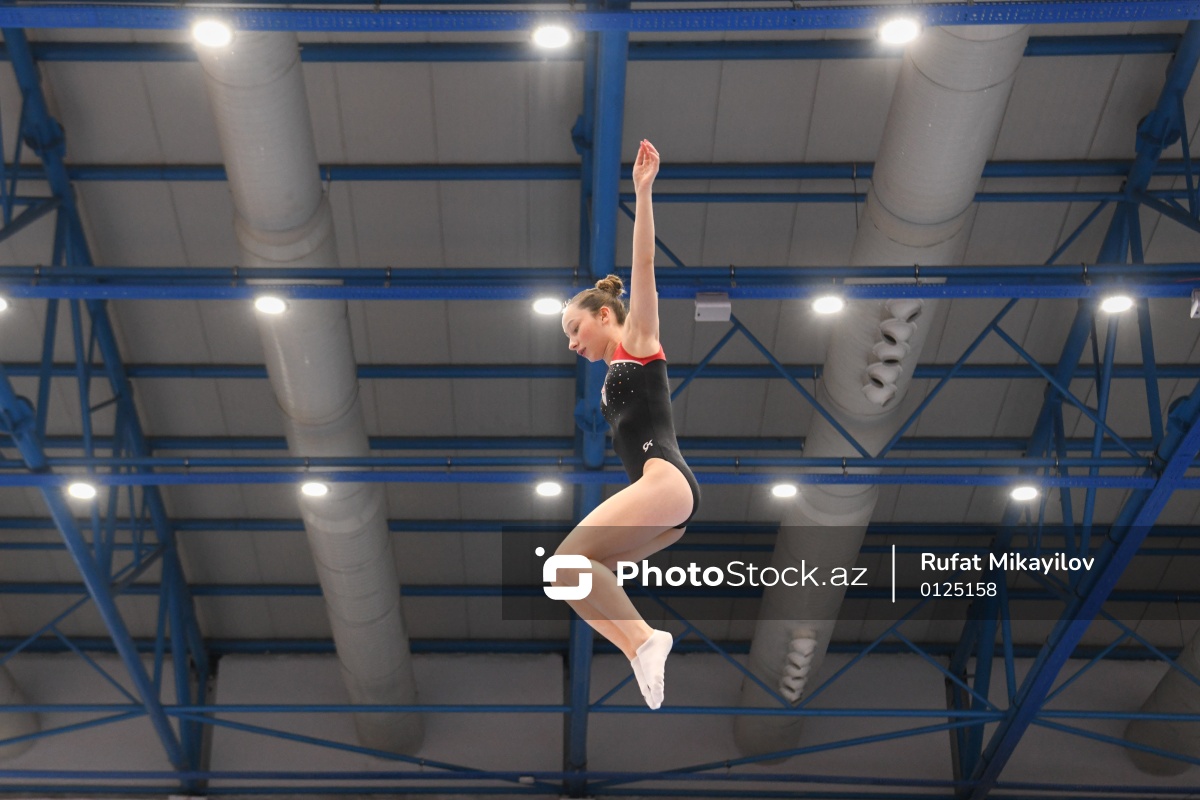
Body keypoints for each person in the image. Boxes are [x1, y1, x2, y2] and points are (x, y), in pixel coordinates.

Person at [556, 139, 701, 710]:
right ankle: (639, 650)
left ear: (604, 314)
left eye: (575, 330)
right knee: (567, 578)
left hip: (665, 482)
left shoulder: (638, 344)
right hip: (664, 500)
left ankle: (646, 639)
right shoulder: (612, 373)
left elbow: (644, 268)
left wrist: (642, 192)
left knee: (567, 561)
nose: (572, 344)